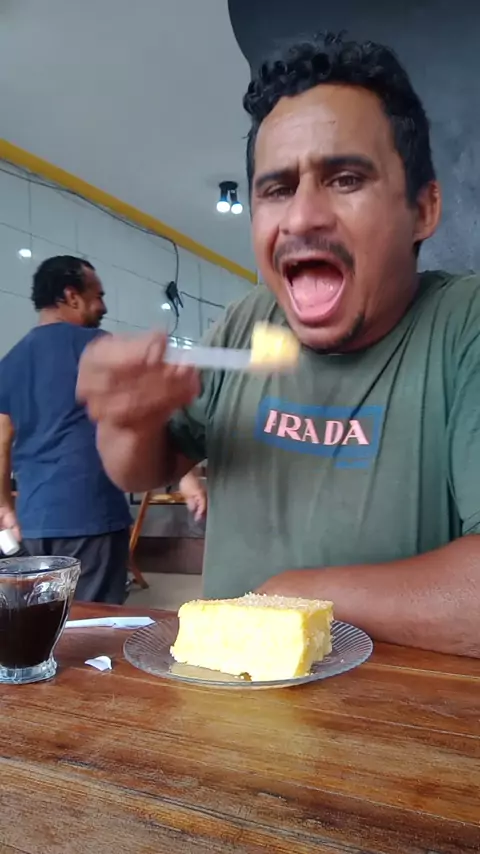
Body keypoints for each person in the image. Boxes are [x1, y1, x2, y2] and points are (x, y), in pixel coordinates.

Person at [77, 35, 480, 657]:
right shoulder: (248, 322)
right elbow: (145, 469)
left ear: (423, 209)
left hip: (396, 713)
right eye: (276, 189)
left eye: (346, 178)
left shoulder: (463, 325)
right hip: (220, 690)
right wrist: (128, 422)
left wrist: (296, 598)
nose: (301, 217)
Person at [0, 255, 131, 603]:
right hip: (90, 514)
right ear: (72, 297)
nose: (103, 306)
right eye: (97, 296)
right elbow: (140, 413)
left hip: (33, 522)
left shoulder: (10, 361)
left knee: (44, 620)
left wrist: (4, 505)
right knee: (95, 622)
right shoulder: (97, 346)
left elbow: (1, 440)